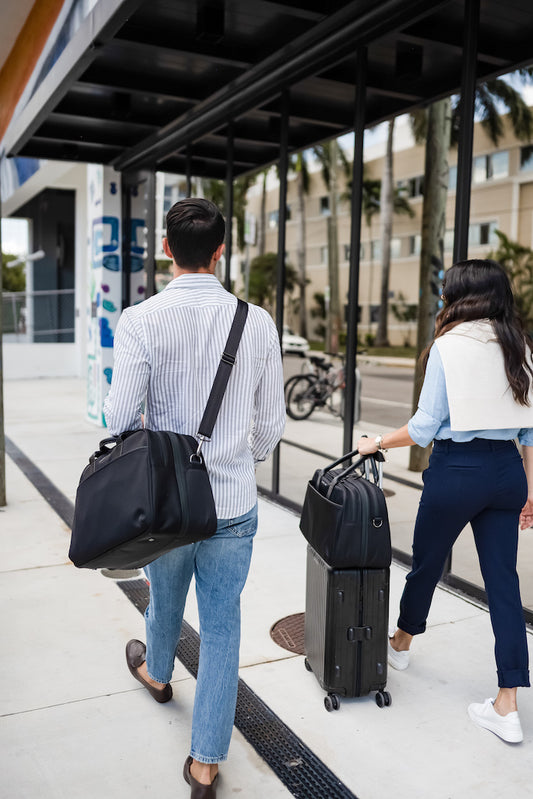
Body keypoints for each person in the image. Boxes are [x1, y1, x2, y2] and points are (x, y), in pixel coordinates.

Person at [103, 198, 285, 797]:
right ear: (221, 250)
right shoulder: (255, 322)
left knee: (163, 593)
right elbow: (268, 429)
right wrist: (232, 458)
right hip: (230, 503)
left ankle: (157, 674)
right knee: (223, 628)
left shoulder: (140, 320)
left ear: (165, 249)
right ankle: (205, 765)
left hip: (165, 501)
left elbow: (117, 416)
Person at [357, 258, 533, 744]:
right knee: (504, 585)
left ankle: (402, 643)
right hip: (506, 473)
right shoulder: (519, 347)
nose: (441, 299)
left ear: (462, 296)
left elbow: (422, 428)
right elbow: (528, 430)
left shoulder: (446, 347)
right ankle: (507, 703)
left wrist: (375, 444)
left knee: (427, 564)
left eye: (445, 291)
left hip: (457, 470)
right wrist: (530, 492)